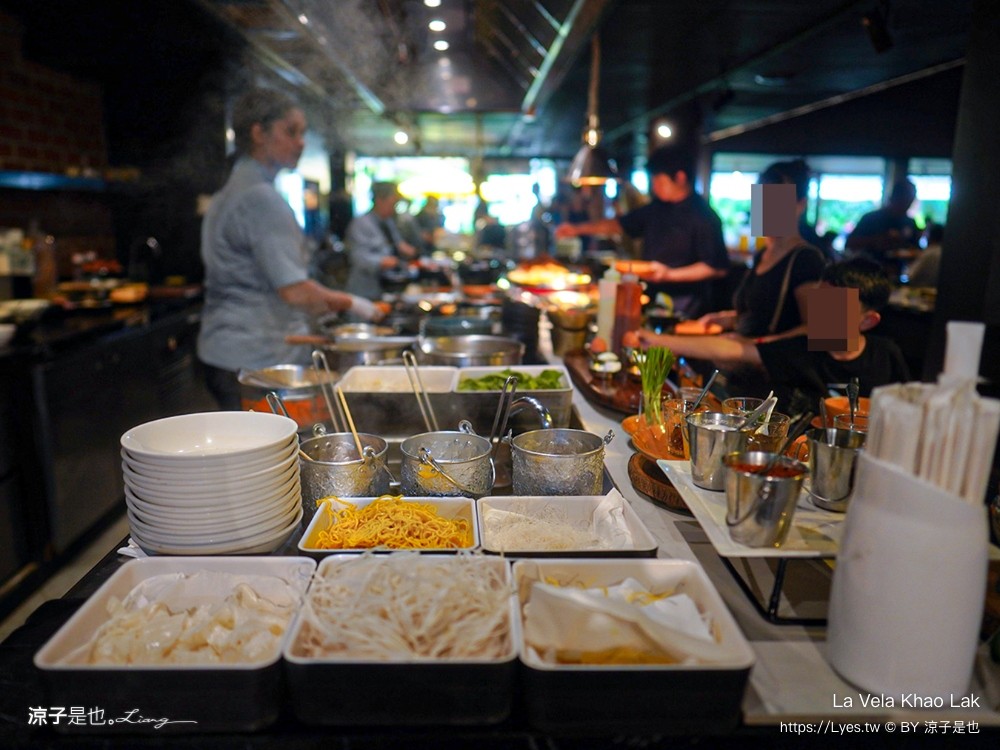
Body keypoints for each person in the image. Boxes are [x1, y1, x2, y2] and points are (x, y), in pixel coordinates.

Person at [197, 88, 378, 411]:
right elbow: (295, 292)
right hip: (254, 358)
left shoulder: (230, 191)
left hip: (223, 352)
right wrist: (360, 305)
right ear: (258, 133)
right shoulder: (259, 197)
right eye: (290, 131)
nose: (301, 142)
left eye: (303, 133)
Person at [632, 257, 910, 416]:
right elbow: (732, 350)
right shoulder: (801, 349)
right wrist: (654, 340)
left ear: (868, 320)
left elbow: (906, 416)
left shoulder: (886, 356)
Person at [554, 144, 729, 319]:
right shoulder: (657, 207)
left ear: (680, 177)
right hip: (651, 298)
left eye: (658, 180)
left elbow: (716, 267)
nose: (654, 186)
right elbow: (620, 225)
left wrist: (669, 274)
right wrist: (576, 229)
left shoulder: (704, 216)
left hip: (688, 308)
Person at [701, 160, 827, 341]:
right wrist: (726, 319)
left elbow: (829, 331)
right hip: (745, 363)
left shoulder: (810, 259)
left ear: (800, 205)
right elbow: (758, 315)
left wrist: (759, 344)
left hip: (775, 367)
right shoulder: (763, 254)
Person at [344, 181, 419, 300]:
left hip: (387, 288)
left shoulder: (388, 222)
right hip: (366, 290)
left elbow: (399, 244)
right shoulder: (361, 224)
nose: (394, 207)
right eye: (392, 203)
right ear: (380, 200)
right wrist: (388, 261)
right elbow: (359, 258)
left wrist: (418, 256)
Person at [846, 179, 920, 277]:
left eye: (910, 201)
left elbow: (915, 249)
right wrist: (876, 240)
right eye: (905, 200)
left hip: (896, 274)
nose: (908, 205)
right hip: (868, 275)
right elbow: (850, 243)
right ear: (894, 198)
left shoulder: (910, 222)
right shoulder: (872, 218)